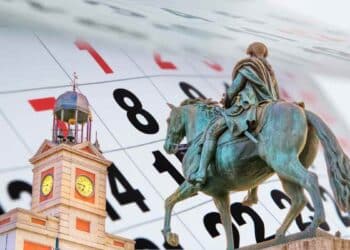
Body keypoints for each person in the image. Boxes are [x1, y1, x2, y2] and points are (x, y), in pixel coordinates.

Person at [188, 42, 280, 185]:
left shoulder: (249, 66)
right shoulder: (270, 71)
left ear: (251, 52)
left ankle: (201, 172)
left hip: (246, 108)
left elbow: (234, 88)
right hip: (266, 109)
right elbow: (276, 96)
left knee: (212, 131)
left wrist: (226, 100)